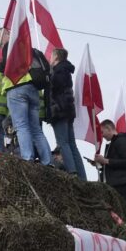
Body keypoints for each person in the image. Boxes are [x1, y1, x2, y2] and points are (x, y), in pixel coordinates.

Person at [0, 27, 52, 164]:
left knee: (21, 126)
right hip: (32, 89)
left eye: (0, 37)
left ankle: (27, 159)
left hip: (16, 89)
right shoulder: (27, 47)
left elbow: (8, 68)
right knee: (36, 130)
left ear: (8, 34)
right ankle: (48, 162)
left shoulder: (10, 46)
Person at [93, 120, 126, 239]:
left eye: (102, 131)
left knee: (125, 213)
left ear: (109, 128)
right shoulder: (115, 143)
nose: (102, 135)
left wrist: (106, 161)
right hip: (118, 183)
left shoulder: (121, 141)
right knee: (124, 213)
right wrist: (102, 164)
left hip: (123, 184)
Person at [47, 48, 87, 180]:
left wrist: (48, 75)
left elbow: (53, 88)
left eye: (51, 56)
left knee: (63, 142)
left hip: (60, 111)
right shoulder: (66, 70)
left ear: (56, 57)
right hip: (68, 111)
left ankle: (72, 172)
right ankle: (81, 175)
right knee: (71, 144)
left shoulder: (58, 71)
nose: (50, 59)